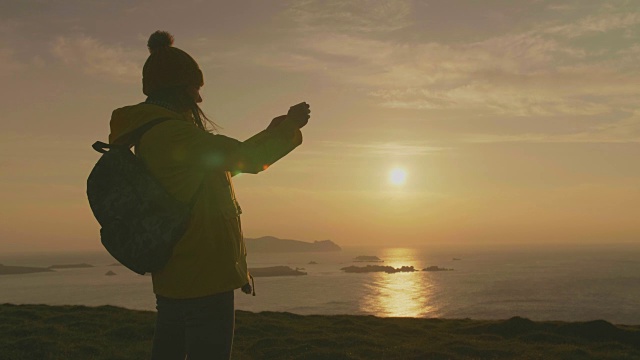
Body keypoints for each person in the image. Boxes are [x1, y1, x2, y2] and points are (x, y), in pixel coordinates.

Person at [107, 31, 310, 360]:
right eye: (194, 88)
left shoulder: (154, 132)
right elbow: (246, 159)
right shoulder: (174, 134)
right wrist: (289, 128)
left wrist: (274, 130)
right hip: (203, 277)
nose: (199, 99)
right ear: (176, 87)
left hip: (177, 273)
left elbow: (226, 165)